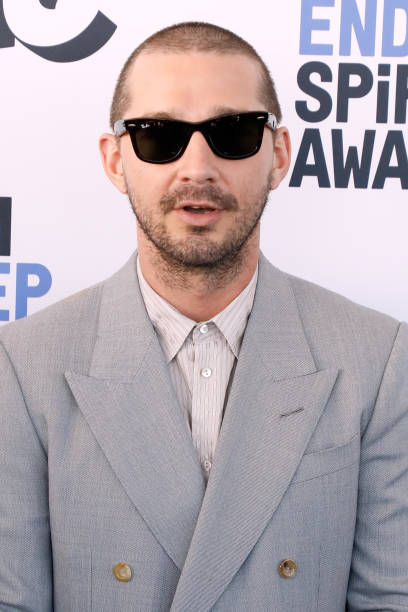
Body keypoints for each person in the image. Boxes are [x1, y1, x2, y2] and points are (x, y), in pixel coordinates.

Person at [0, 21, 407, 612]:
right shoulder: (22, 366)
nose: (196, 168)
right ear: (115, 161)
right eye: (159, 136)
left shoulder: (378, 359)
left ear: (278, 156)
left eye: (232, 133)